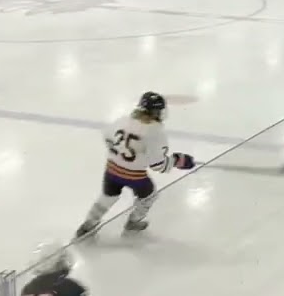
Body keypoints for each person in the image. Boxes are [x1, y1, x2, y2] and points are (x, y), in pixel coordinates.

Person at [75, 92, 197, 238]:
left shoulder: (122, 120)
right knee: (149, 196)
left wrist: (118, 153)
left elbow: (106, 136)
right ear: (157, 112)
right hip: (135, 176)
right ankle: (133, 221)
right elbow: (158, 165)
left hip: (111, 170)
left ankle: (88, 225)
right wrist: (178, 160)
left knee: (107, 197)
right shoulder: (155, 131)